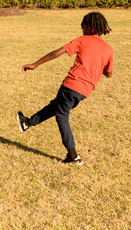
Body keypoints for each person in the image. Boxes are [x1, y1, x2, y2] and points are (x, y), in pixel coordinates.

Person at [17, 12, 113, 165]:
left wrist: (34, 64)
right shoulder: (108, 49)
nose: (82, 32)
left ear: (88, 28)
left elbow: (57, 53)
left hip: (71, 85)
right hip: (85, 92)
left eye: (82, 29)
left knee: (62, 116)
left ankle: (73, 156)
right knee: (56, 106)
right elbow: (108, 73)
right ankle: (27, 123)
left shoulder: (83, 40)